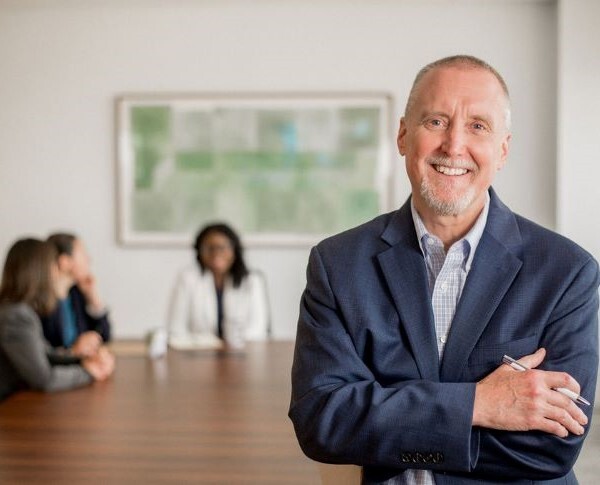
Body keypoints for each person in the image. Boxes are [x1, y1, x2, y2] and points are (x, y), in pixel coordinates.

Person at [289, 55, 599, 484]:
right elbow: (322, 420)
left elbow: (552, 446)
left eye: (478, 126)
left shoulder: (567, 272)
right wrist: (480, 404)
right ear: (402, 135)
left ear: (503, 149)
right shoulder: (338, 264)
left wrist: (388, 416)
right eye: (435, 121)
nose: (454, 146)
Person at [0, 238, 115, 402]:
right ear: (39, 270)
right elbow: (43, 378)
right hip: (9, 407)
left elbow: (47, 354)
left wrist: (85, 361)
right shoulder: (16, 316)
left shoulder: (18, 310)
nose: (57, 272)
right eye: (53, 266)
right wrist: (89, 372)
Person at [167, 223, 269, 349]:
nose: (216, 253)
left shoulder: (252, 281)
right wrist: (207, 344)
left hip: (242, 356)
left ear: (234, 249)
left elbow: (258, 331)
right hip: (199, 356)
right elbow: (176, 330)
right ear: (199, 251)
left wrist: (231, 346)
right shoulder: (187, 279)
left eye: (223, 247)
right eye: (209, 248)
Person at [40, 233, 111, 358]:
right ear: (64, 262)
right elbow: (41, 355)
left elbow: (105, 335)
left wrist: (92, 297)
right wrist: (73, 351)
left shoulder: (76, 295)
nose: (89, 259)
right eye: (83, 254)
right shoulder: (39, 301)